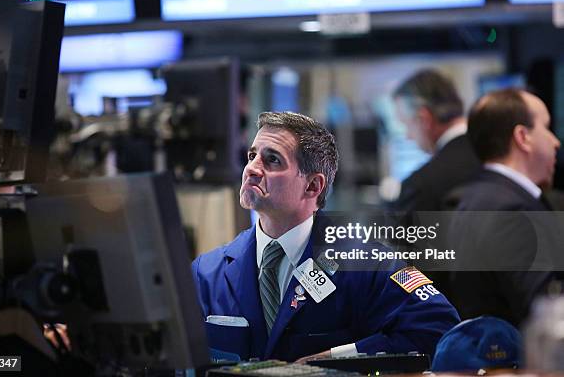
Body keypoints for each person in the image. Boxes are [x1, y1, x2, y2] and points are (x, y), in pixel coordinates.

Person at [192, 111, 459, 362]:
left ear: (312, 186)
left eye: (272, 160)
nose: (252, 168)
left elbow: (439, 326)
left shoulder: (366, 263)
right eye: (252, 155)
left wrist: (337, 359)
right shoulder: (207, 272)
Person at [448, 88, 561, 327]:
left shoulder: (480, 198)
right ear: (523, 137)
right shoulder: (510, 210)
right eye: (546, 127)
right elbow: (543, 313)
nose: (555, 142)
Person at [393, 69, 481, 212]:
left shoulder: (421, 186)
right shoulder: (499, 154)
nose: (408, 136)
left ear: (424, 118)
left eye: (406, 125)